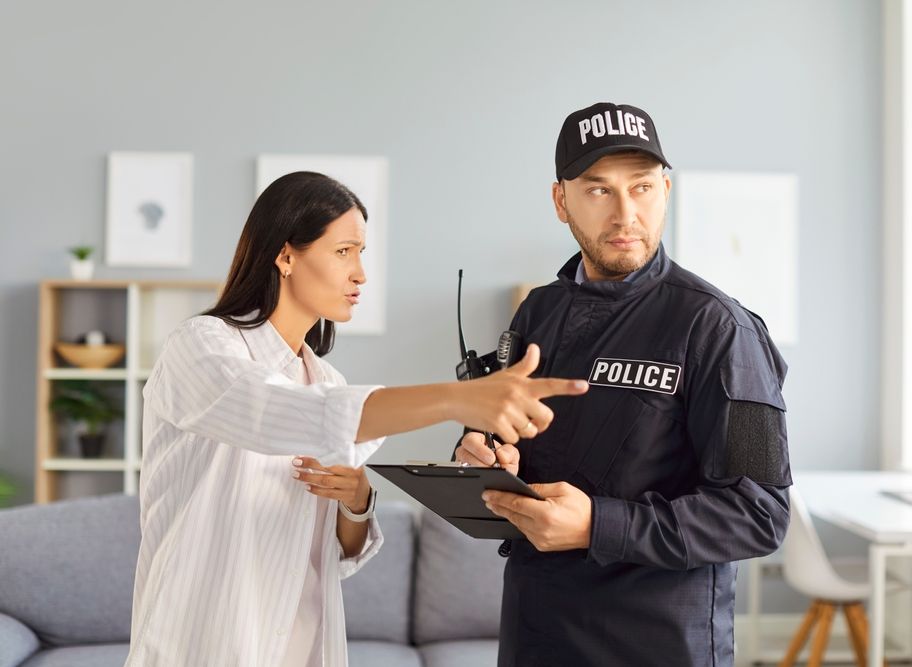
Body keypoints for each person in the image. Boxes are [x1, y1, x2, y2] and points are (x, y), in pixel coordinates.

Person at [125, 171, 588, 666]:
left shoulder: (325, 378)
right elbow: (269, 412)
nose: (361, 273)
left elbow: (336, 555)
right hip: (204, 642)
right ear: (285, 256)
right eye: (344, 251)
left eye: (361, 252)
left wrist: (358, 502)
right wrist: (457, 399)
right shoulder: (201, 346)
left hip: (301, 643)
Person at [455, 103, 792, 666]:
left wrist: (597, 525)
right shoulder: (535, 313)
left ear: (666, 189)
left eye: (641, 188)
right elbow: (498, 441)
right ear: (561, 201)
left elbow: (759, 514)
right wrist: (484, 458)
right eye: (598, 191)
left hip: (658, 644)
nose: (625, 214)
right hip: (535, 634)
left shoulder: (718, 328)